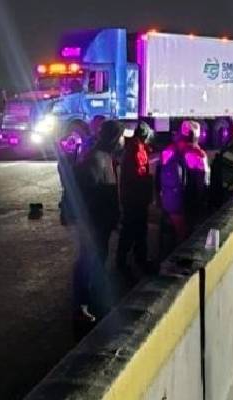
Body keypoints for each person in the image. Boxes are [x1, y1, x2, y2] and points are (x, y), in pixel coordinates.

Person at [73, 118, 122, 322]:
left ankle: (94, 301)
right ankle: (83, 305)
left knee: (98, 260)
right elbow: (89, 194)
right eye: (119, 137)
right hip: (95, 222)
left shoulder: (105, 157)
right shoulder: (96, 159)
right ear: (113, 138)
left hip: (102, 221)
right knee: (89, 260)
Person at [116, 121, 154, 275]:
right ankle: (126, 261)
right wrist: (149, 181)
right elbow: (139, 175)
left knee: (136, 230)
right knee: (132, 230)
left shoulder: (135, 147)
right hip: (135, 198)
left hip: (134, 197)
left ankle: (137, 259)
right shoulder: (137, 149)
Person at [180, 121, 210, 231]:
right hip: (194, 197)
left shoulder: (175, 150)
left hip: (178, 198)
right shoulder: (199, 154)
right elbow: (204, 180)